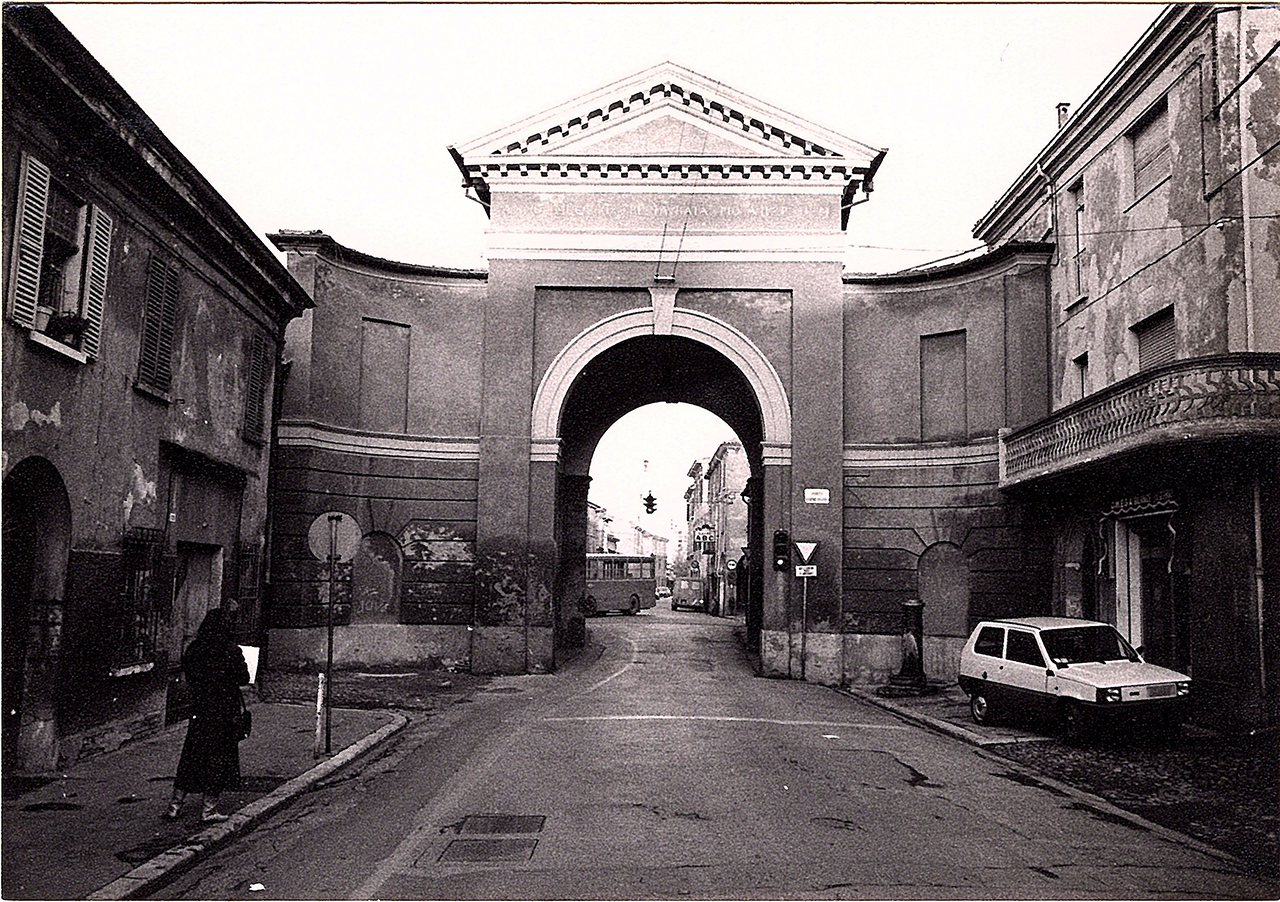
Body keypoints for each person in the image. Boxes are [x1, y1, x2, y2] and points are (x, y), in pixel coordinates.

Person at [164, 608, 249, 823]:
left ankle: (175, 806)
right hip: (224, 712)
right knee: (218, 759)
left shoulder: (195, 648)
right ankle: (208, 810)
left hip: (201, 710)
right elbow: (243, 677)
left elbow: (189, 675)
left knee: (191, 755)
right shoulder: (230, 650)